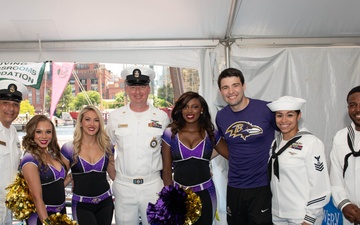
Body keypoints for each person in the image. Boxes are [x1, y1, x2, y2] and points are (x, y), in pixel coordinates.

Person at [106, 66, 170, 225]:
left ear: (149, 89)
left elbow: (167, 152)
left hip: (153, 185)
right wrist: (117, 178)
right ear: (126, 89)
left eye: (142, 86)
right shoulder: (116, 117)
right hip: (124, 185)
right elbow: (107, 148)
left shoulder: (161, 117)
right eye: (133, 87)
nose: (137, 91)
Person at [215, 68, 276, 225]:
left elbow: (288, 132)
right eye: (225, 87)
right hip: (234, 186)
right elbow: (223, 146)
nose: (231, 91)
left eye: (235, 85)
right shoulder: (221, 117)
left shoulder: (266, 109)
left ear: (244, 86)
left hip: (261, 187)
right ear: (220, 91)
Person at [162, 91, 229, 225]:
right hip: (180, 194)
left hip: (206, 194)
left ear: (202, 109)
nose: (189, 111)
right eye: (185, 107)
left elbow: (232, 155)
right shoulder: (170, 134)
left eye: (194, 106)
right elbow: (167, 171)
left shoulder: (211, 133)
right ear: (180, 109)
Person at [267, 96, 331, 225]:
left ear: (298, 116)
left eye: (289, 115)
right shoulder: (275, 143)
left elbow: (320, 184)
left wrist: (310, 218)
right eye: (279, 115)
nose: (284, 120)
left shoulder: (311, 143)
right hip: (278, 215)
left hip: (301, 216)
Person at [61, 106, 115, 225]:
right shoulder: (69, 149)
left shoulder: (107, 147)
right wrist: (71, 177)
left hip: (105, 202)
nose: (92, 124)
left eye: (96, 120)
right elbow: (59, 181)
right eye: (87, 119)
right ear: (80, 122)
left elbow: (114, 175)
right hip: (81, 205)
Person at [20, 115, 67, 225]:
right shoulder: (30, 159)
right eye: (39, 132)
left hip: (61, 214)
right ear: (32, 134)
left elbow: (56, 185)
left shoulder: (51, 154)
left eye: (48, 132)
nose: (44, 136)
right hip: (41, 217)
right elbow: (37, 198)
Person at [330, 85, 360, 225]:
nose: (357, 110)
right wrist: (344, 204)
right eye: (352, 105)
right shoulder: (340, 137)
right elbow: (335, 176)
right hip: (351, 215)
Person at [0, 79, 27, 225]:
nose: (10, 109)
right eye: (5, 103)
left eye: (15, 104)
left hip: (7, 209)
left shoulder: (14, 133)